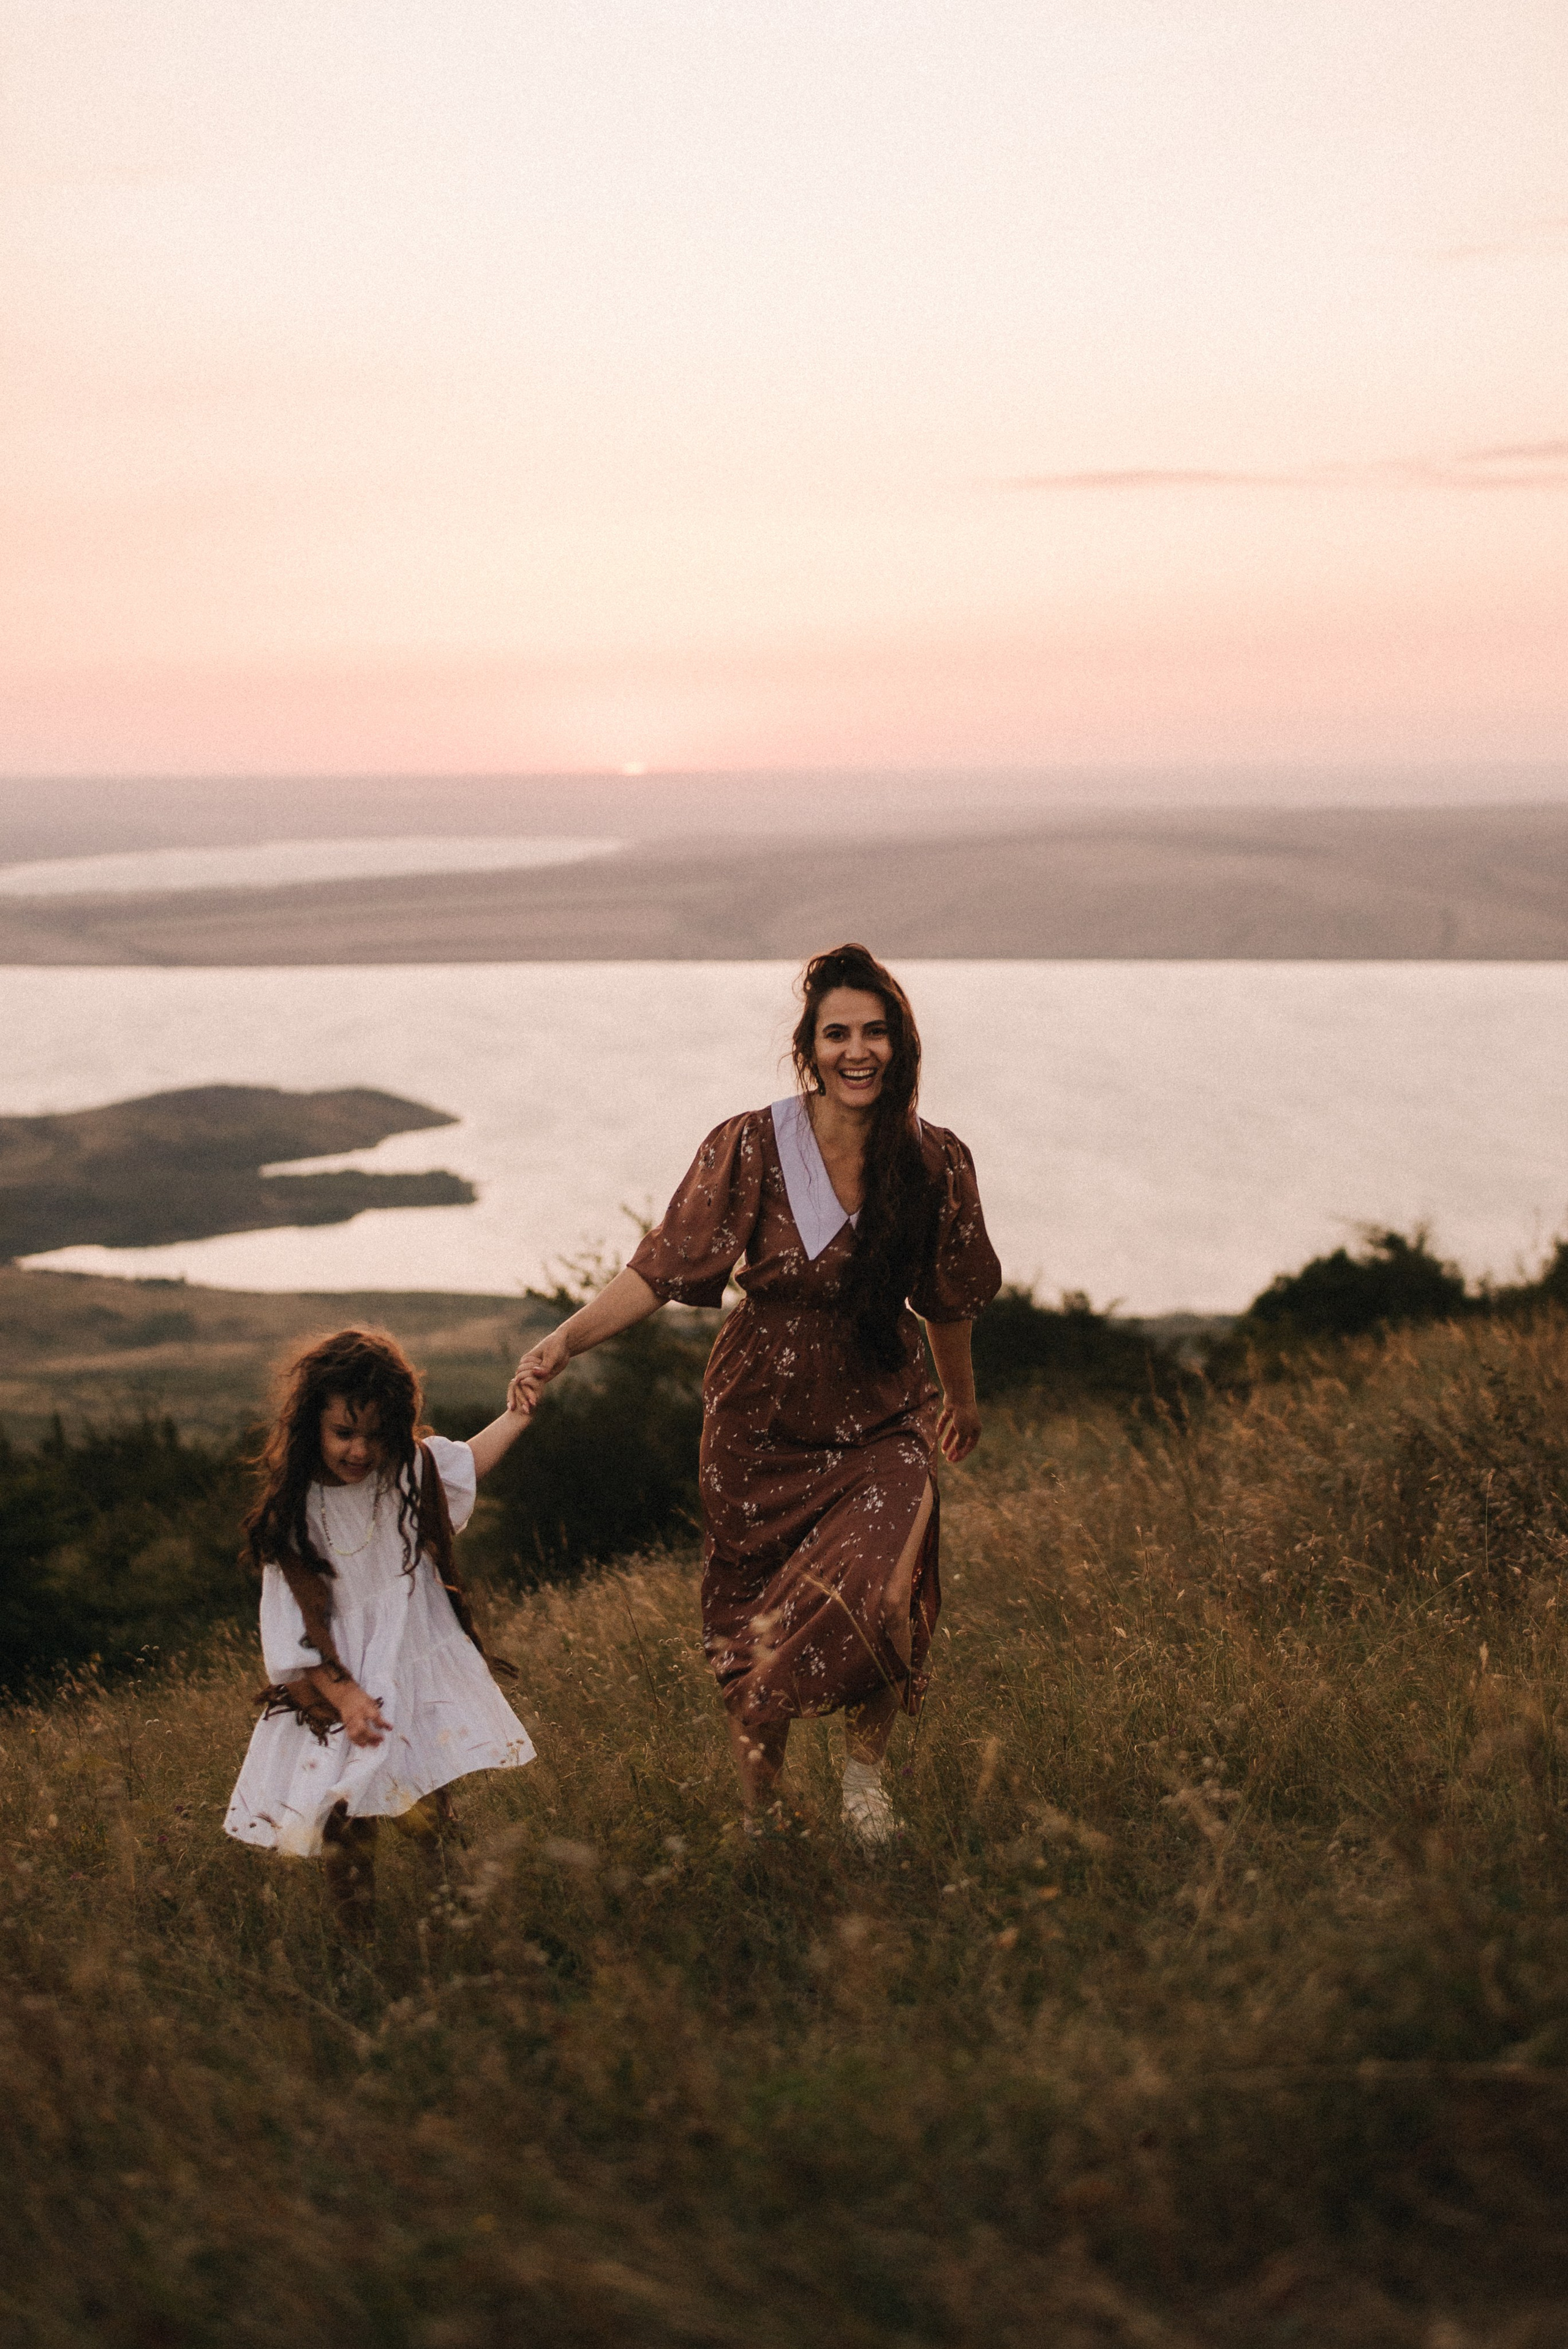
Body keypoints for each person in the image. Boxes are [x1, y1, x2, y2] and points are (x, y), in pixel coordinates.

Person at [510, 943, 1000, 1846]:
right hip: (759, 1415)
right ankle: (765, 1815)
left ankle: (863, 1780)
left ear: (902, 1044)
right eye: (837, 1033)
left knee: (884, 1594)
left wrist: (959, 1403)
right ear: (808, 1049)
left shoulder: (933, 1160)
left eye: (876, 1031)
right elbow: (660, 1268)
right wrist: (564, 1339)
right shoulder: (747, 1144)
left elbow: (950, 1299)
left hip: (879, 1406)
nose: (859, 1050)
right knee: (758, 1624)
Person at [225, 1327, 535, 1927]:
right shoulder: (295, 1512)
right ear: (312, 1423)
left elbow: (466, 1464)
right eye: (344, 1432)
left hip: (408, 1664)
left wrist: (517, 1414)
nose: (359, 1451)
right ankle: (358, 1942)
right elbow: (295, 1626)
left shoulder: (405, 1472)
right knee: (345, 1823)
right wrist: (345, 1696)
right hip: (338, 1680)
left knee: (429, 1803)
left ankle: (454, 1920)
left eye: (374, 1434)